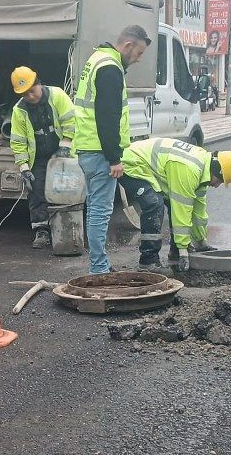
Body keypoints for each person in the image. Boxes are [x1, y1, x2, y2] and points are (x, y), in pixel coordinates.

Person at [72, 24, 151, 274]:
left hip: (89, 147)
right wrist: (114, 157)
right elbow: (107, 117)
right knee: (99, 210)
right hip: (99, 152)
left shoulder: (97, 58)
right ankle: (98, 268)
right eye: (138, 53)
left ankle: (100, 264)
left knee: (97, 207)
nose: (137, 60)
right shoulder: (110, 68)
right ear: (127, 46)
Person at [120, 137, 231, 273]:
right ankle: (148, 261)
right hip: (131, 163)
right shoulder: (189, 170)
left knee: (174, 207)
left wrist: (201, 242)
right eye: (220, 181)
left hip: (150, 167)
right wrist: (184, 250)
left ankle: (175, 252)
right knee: (154, 204)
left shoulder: (203, 171)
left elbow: (198, 212)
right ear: (217, 170)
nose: (217, 185)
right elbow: (181, 209)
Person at [8, 66, 77, 249]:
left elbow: (71, 121)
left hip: (63, 154)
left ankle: (67, 228)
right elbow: (18, 141)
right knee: (37, 193)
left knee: (66, 191)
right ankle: (41, 231)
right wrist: (24, 168)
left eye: (32, 91)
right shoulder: (19, 111)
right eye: (25, 94)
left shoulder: (57, 95)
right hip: (38, 158)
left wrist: (65, 146)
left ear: (39, 83)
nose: (30, 96)